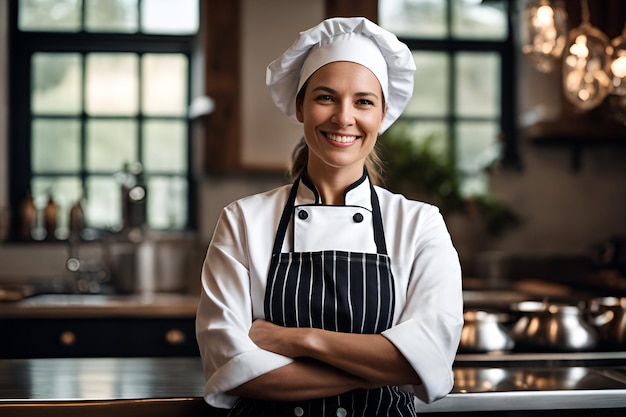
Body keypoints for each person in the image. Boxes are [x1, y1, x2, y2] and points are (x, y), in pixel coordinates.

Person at [195, 16, 464, 417]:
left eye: (363, 101)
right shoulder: (243, 221)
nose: (343, 117)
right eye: (325, 97)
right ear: (300, 106)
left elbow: (430, 359)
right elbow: (234, 370)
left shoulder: (420, 224)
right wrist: (387, 365)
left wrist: (300, 340)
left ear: (383, 114)